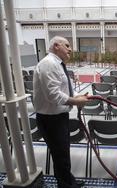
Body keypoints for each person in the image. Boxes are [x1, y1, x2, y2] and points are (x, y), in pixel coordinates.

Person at [33, 36, 89, 188]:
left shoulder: (58, 64)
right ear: (56, 46)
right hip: (50, 120)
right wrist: (76, 101)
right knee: (61, 156)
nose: (70, 49)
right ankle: (66, 185)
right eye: (67, 45)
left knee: (62, 155)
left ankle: (68, 181)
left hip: (58, 118)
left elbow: (65, 88)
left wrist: (78, 95)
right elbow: (53, 95)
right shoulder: (49, 64)